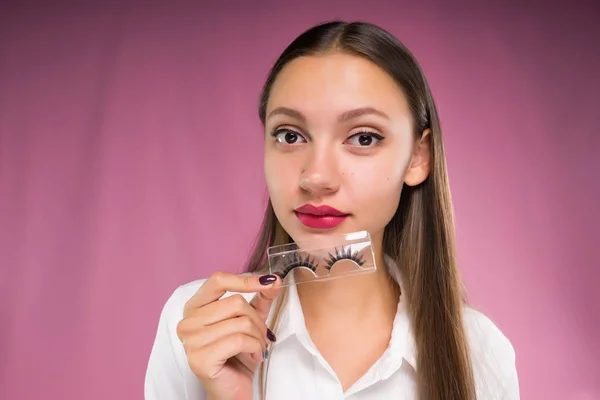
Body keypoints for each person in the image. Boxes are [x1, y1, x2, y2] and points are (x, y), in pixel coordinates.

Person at [144, 20, 520, 400]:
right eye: (290, 135)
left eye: (363, 137)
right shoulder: (196, 326)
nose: (317, 177)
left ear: (417, 158)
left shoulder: (481, 354)